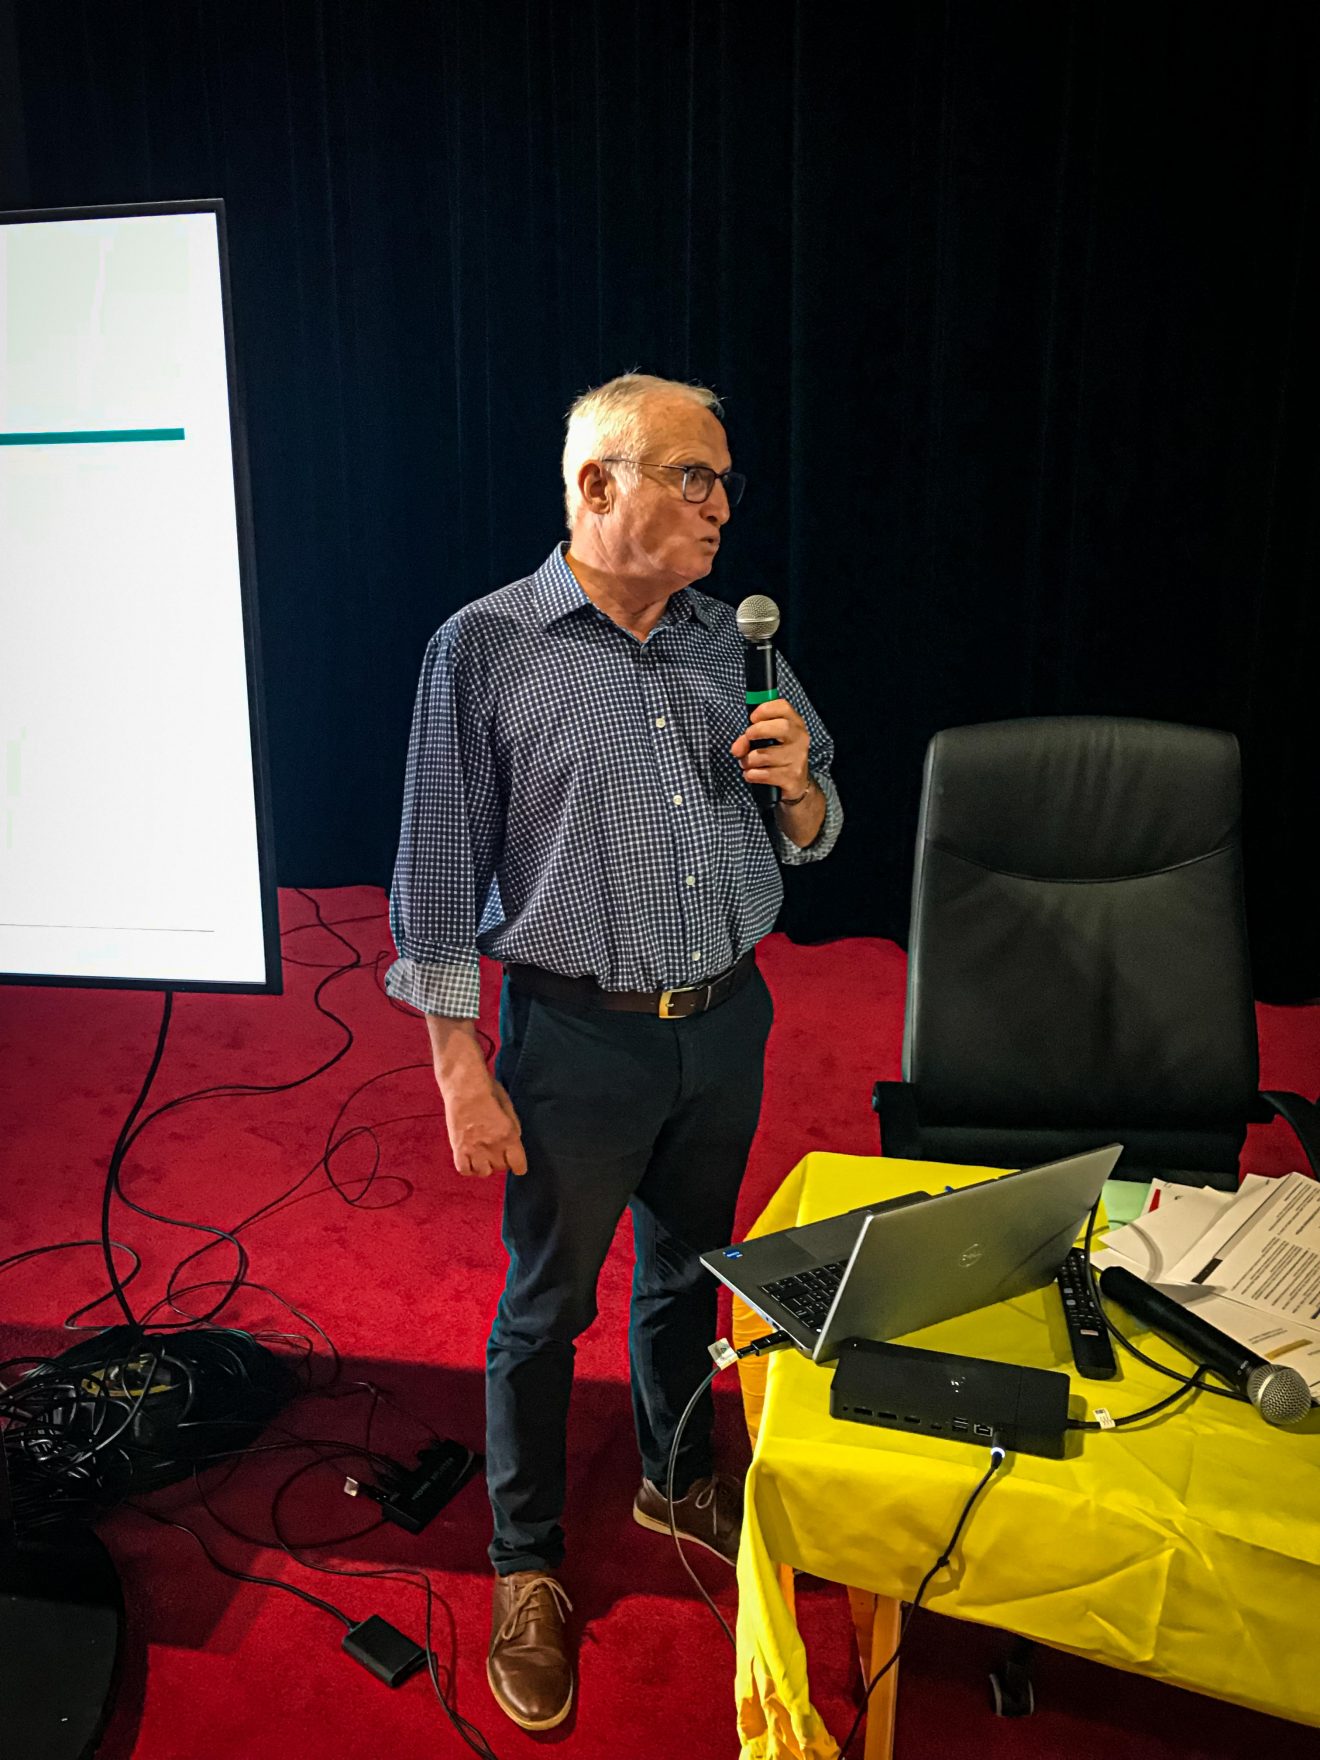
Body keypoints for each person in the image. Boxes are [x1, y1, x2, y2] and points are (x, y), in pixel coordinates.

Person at [385, 372, 842, 1731]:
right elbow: (433, 880)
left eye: (723, 482)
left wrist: (800, 791)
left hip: (730, 1020)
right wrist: (460, 1070)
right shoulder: (484, 648)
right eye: (691, 477)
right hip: (577, 1039)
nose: (719, 506)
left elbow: (818, 826)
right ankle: (525, 1560)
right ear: (598, 486)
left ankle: (673, 1474)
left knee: (691, 1269)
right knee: (547, 1306)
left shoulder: (735, 642)